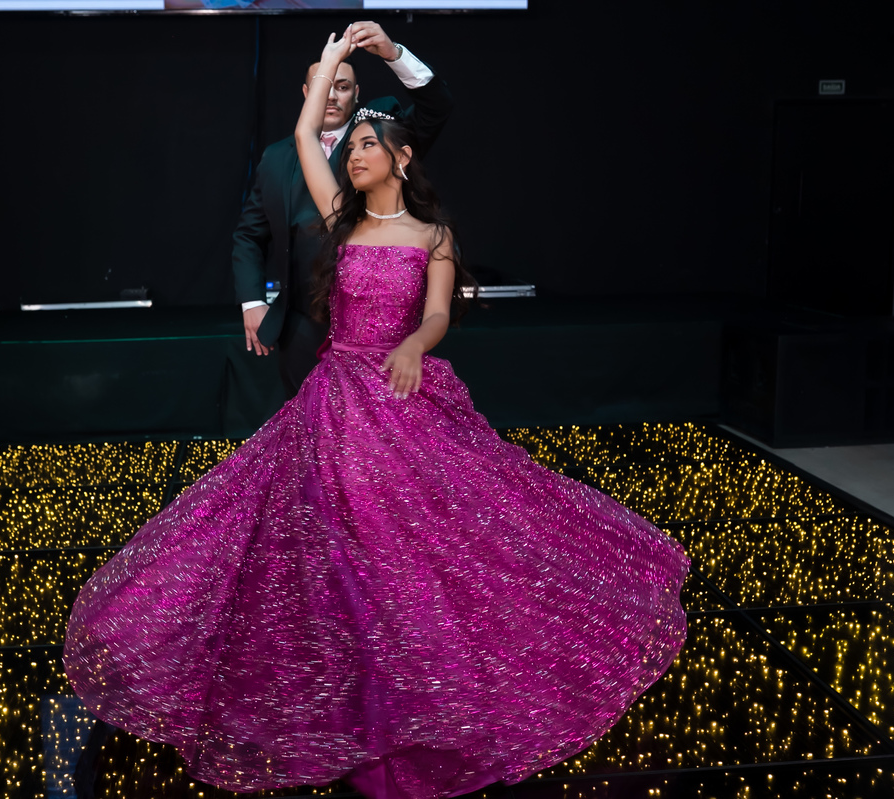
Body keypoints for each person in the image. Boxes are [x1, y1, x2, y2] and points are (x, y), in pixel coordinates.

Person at [64, 29, 690, 799]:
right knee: (335, 537)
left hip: (400, 396)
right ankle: (357, 686)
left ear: (400, 157)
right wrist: (331, 62)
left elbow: (438, 314)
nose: (353, 154)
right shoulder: (341, 221)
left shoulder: (433, 234)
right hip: (335, 398)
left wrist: (417, 347)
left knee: (427, 539)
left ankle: (410, 687)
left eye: (367, 144)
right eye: (352, 144)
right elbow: (304, 137)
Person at [232, 21, 454, 397]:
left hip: (393, 357)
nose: (355, 157)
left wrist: (392, 53)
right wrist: (253, 301)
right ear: (308, 93)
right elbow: (250, 233)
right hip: (303, 322)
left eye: (343, 85)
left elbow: (438, 107)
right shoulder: (308, 186)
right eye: (351, 150)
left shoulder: (381, 127)